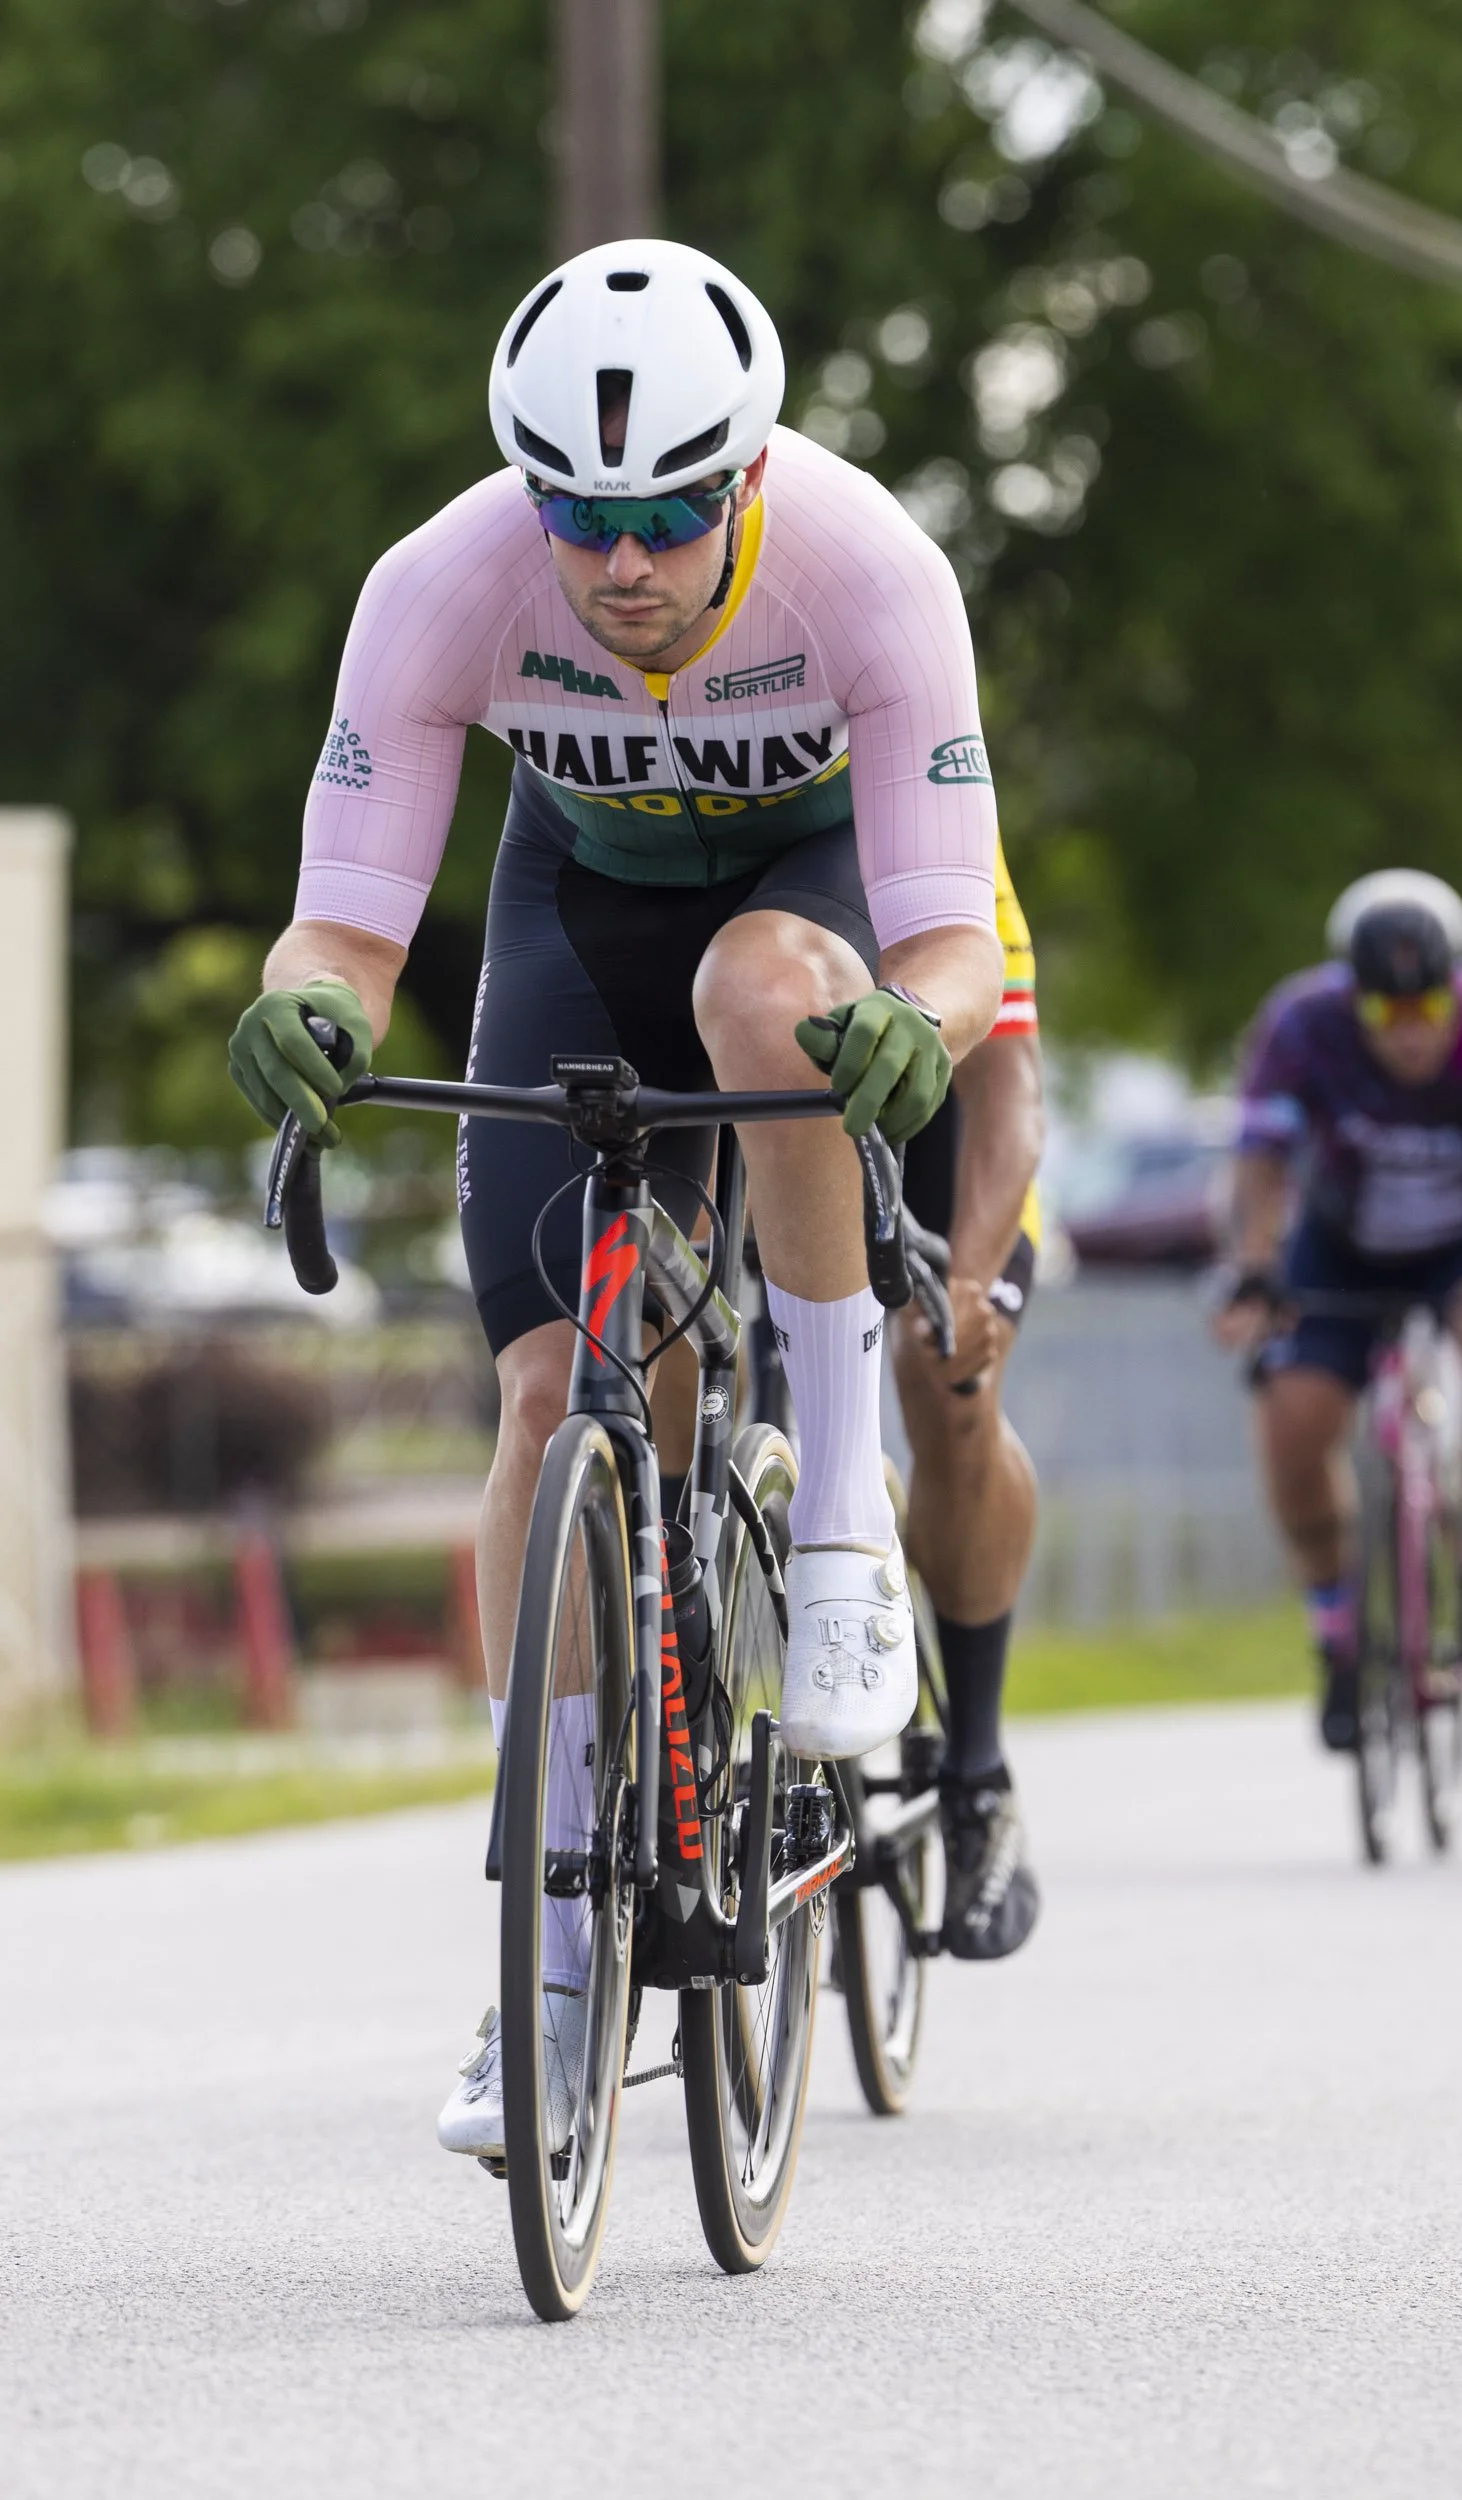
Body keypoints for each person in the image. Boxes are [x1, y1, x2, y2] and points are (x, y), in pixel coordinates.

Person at [227, 239, 1005, 2157]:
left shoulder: (869, 568)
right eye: (581, 514)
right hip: (573, 910)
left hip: (808, 896)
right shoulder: (443, 587)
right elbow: (345, 922)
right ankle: (549, 1963)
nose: (624, 560)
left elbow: (945, 938)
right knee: (553, 1394)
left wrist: (910, 1022)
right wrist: (300, 1013)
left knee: (765, 997)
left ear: (744, 477)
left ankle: (835, 1518)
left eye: (669, 511)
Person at [1214, 870, 1462, 1752]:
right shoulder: (1301, 1024)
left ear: (1457, 988)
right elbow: (1259, 1166)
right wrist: (1255, 1266)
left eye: (1429, 1006)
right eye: (1386, 1014)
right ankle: (1337, 1634)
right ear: (1354, 1001)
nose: (1412, 1032)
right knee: (1293, 1412)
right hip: (1342, 1241)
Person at [893, 840, 1044, 1958]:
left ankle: (976, 1771)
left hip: (933, 1140)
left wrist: (971, 1279)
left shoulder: (938, 809)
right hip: (748, 1119)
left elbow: (1007, 1079)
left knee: (940, 1371)